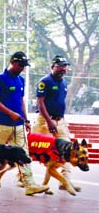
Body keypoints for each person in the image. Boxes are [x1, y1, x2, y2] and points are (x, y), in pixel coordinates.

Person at [0, 51, 49, 195]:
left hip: (19, 126)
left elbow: (21, 101)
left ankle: (29, 184)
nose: (22, 68)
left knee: (24, 153)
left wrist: (26, 119)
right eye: (21, 65)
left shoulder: (20, 80)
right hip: (2, 125)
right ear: (13, 63)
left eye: (24, 66)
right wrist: (10, 113)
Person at [32, 55, 79, 191]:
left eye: (65, 66)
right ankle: (23, 178)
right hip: (44, 121)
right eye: (60, 66)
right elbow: (40, 103)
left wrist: (59, 121)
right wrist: (49, 121)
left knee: (69, 149)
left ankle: (65, 182)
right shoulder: (45, 81)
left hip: (60, 122)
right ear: (53, 67)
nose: (63, 69)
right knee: (33, 150)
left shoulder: (64, 83)